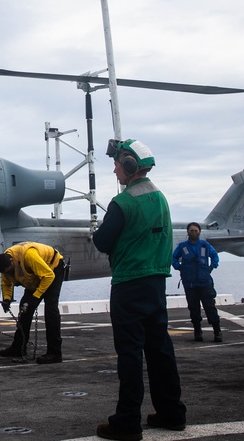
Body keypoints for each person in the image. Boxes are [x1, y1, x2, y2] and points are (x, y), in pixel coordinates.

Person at [92, 139, 186, 441]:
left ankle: (127, 422)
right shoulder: (160, 198)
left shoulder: (123, 203)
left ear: (131, 166)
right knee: (159, 349)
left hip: (129, 284)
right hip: (156, 283)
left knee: (130, 354)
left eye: (118, 163)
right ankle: (172, 413)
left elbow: (102, 242)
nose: (115, 169)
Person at [0, 242, 66, 364]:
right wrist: (6, 299)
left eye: (10, 271)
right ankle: (18, 347)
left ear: (12, 260)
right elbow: (6, 283)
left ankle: (55, 353)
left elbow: (48, 276)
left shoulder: (29, 255)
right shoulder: (5, 265)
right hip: (36, 276)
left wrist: (36, 297)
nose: (9, 274)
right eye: (6, 273)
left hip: (53, 269)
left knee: (50, 309)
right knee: (24, 309)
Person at [173, 222, 222, 342]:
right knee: (193, 309)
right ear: (187, 232)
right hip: (189, 284)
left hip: (204, 283)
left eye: (195, 230)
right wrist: (179, 267)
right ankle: (197, 331)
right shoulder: (183, 247)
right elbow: (173, 258)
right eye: (191, 230)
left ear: (199, 232)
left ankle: (217, 331)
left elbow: (215, 256)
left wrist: (211, 267)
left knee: (210, 307)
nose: (193, 232)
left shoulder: (205, 245)